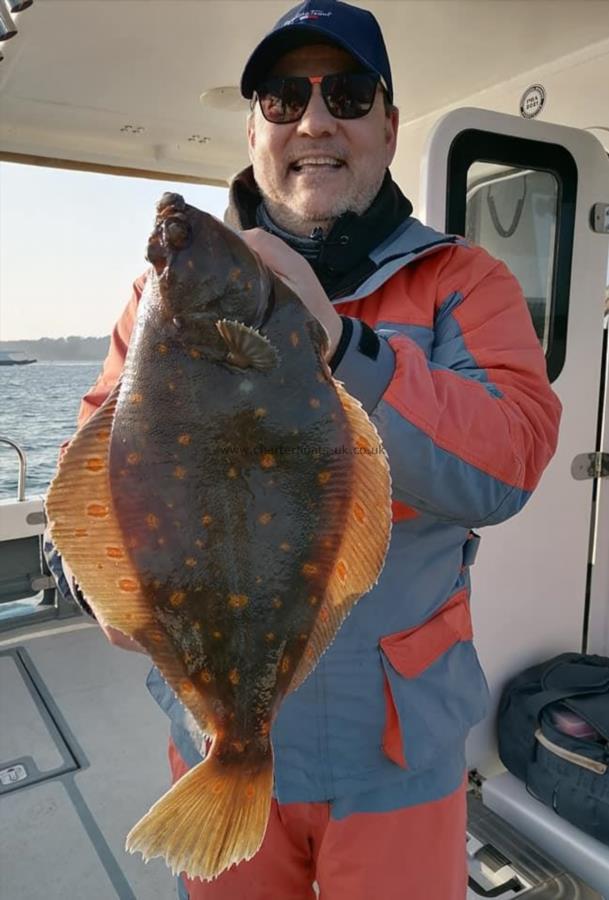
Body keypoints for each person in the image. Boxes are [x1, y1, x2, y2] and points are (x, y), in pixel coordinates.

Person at [48, 1, 562, 897]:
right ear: (253, 127)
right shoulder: (160, 300)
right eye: (284, 98)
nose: (315, 121)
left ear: (389, 125)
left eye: (348, 94)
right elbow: (94, 456)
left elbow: (508, 461)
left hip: (394, 746)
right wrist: (102, 583)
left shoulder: (461, 282)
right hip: (214, 729)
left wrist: (344, 347)